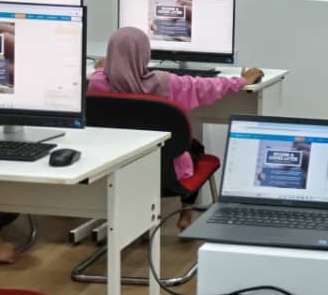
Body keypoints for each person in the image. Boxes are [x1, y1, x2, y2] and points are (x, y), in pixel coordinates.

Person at [89, 27, 265, 229]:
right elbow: (209, 87)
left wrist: (103, 67)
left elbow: (103, 74)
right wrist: (242, 80)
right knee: (195, 149)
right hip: (167, 174)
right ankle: (186, 213)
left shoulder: (96, 83)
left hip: (116, 167)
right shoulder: (166, 83)